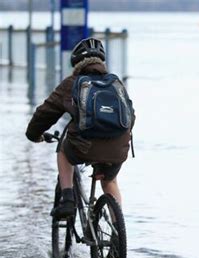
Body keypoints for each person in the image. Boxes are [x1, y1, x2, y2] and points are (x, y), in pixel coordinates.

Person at [25, 37, 135, 219]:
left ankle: (67, 199)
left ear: (76, 63)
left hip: (85, 147)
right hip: (118, 148)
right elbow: (131, 116)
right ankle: (118, 233)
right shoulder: (115, 84)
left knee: (63, 150)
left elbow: (45, 113)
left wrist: (33, 135)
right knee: (110, 182)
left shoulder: (72, 83)